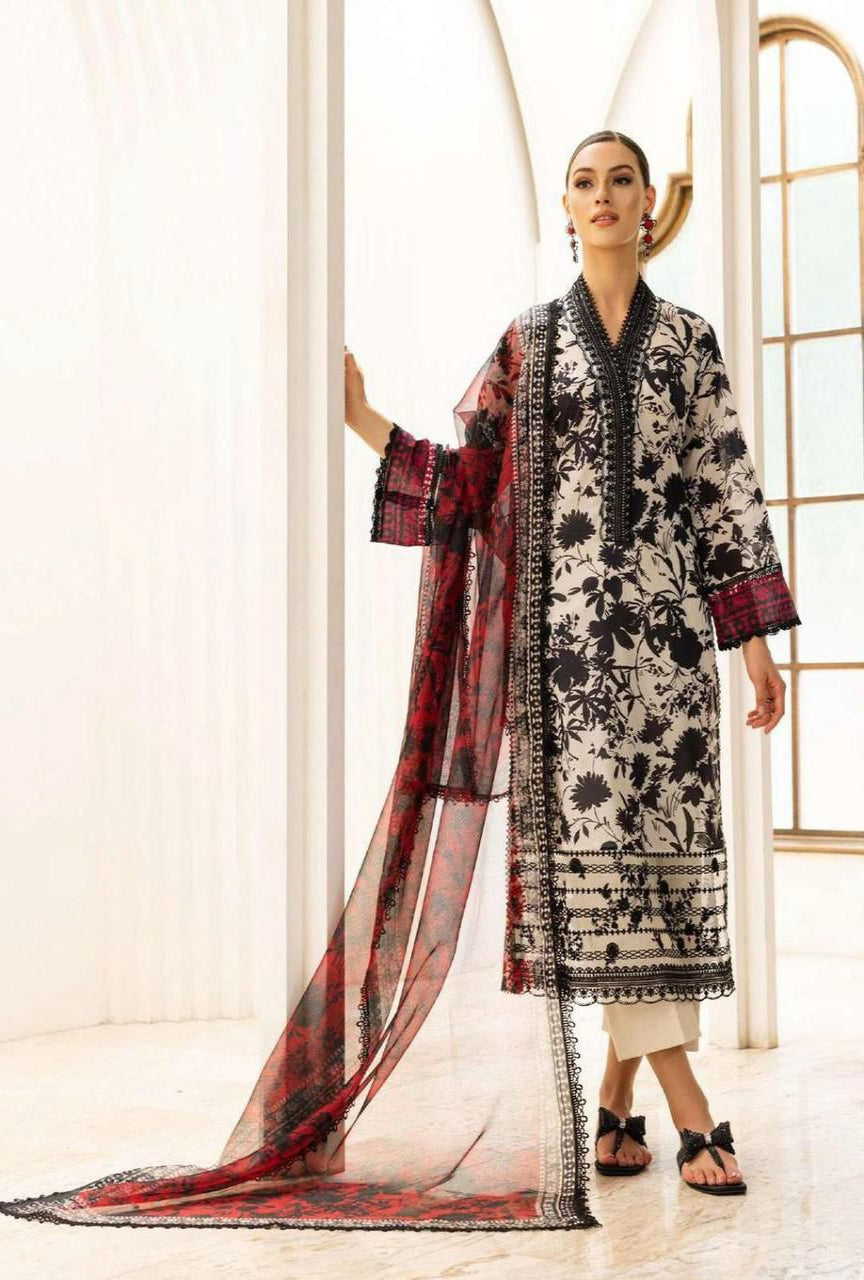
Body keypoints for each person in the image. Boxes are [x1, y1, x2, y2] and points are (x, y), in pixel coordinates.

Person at [0, 131, 798, 1233]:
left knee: (651, 888)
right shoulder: (528, 346)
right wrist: (364, 419)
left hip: (665, 661)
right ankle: (689, 1102)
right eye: (584, 182)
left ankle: (615, 1098)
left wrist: (751, 635)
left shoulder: (690, 343)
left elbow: (725, 489)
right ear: (565, 207)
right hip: (563, 668)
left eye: (623, 180)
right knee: (595, 883)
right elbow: (473, 481)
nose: (604, 198)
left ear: (652, 202)